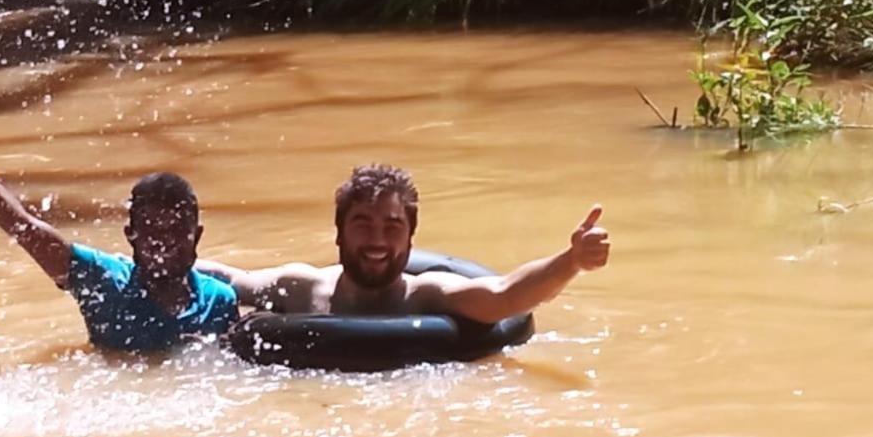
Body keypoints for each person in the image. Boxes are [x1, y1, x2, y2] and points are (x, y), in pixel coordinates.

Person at [0, 102, 238, 351]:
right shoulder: (102, 282)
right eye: (152, 231)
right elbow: (21, 225)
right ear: (130, 235)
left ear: (197, 236)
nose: (164, 242)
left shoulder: (220, 301)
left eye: (176, 230)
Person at [198, 164, 610, 323]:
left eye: (392, 226)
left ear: (411, 239)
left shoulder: (426, 297)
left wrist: (572, 260)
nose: (377, 240)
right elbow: (231, 279)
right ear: (339, 233)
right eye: (362, 224)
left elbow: (504, 295)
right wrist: (138, 260)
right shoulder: (302, 287)